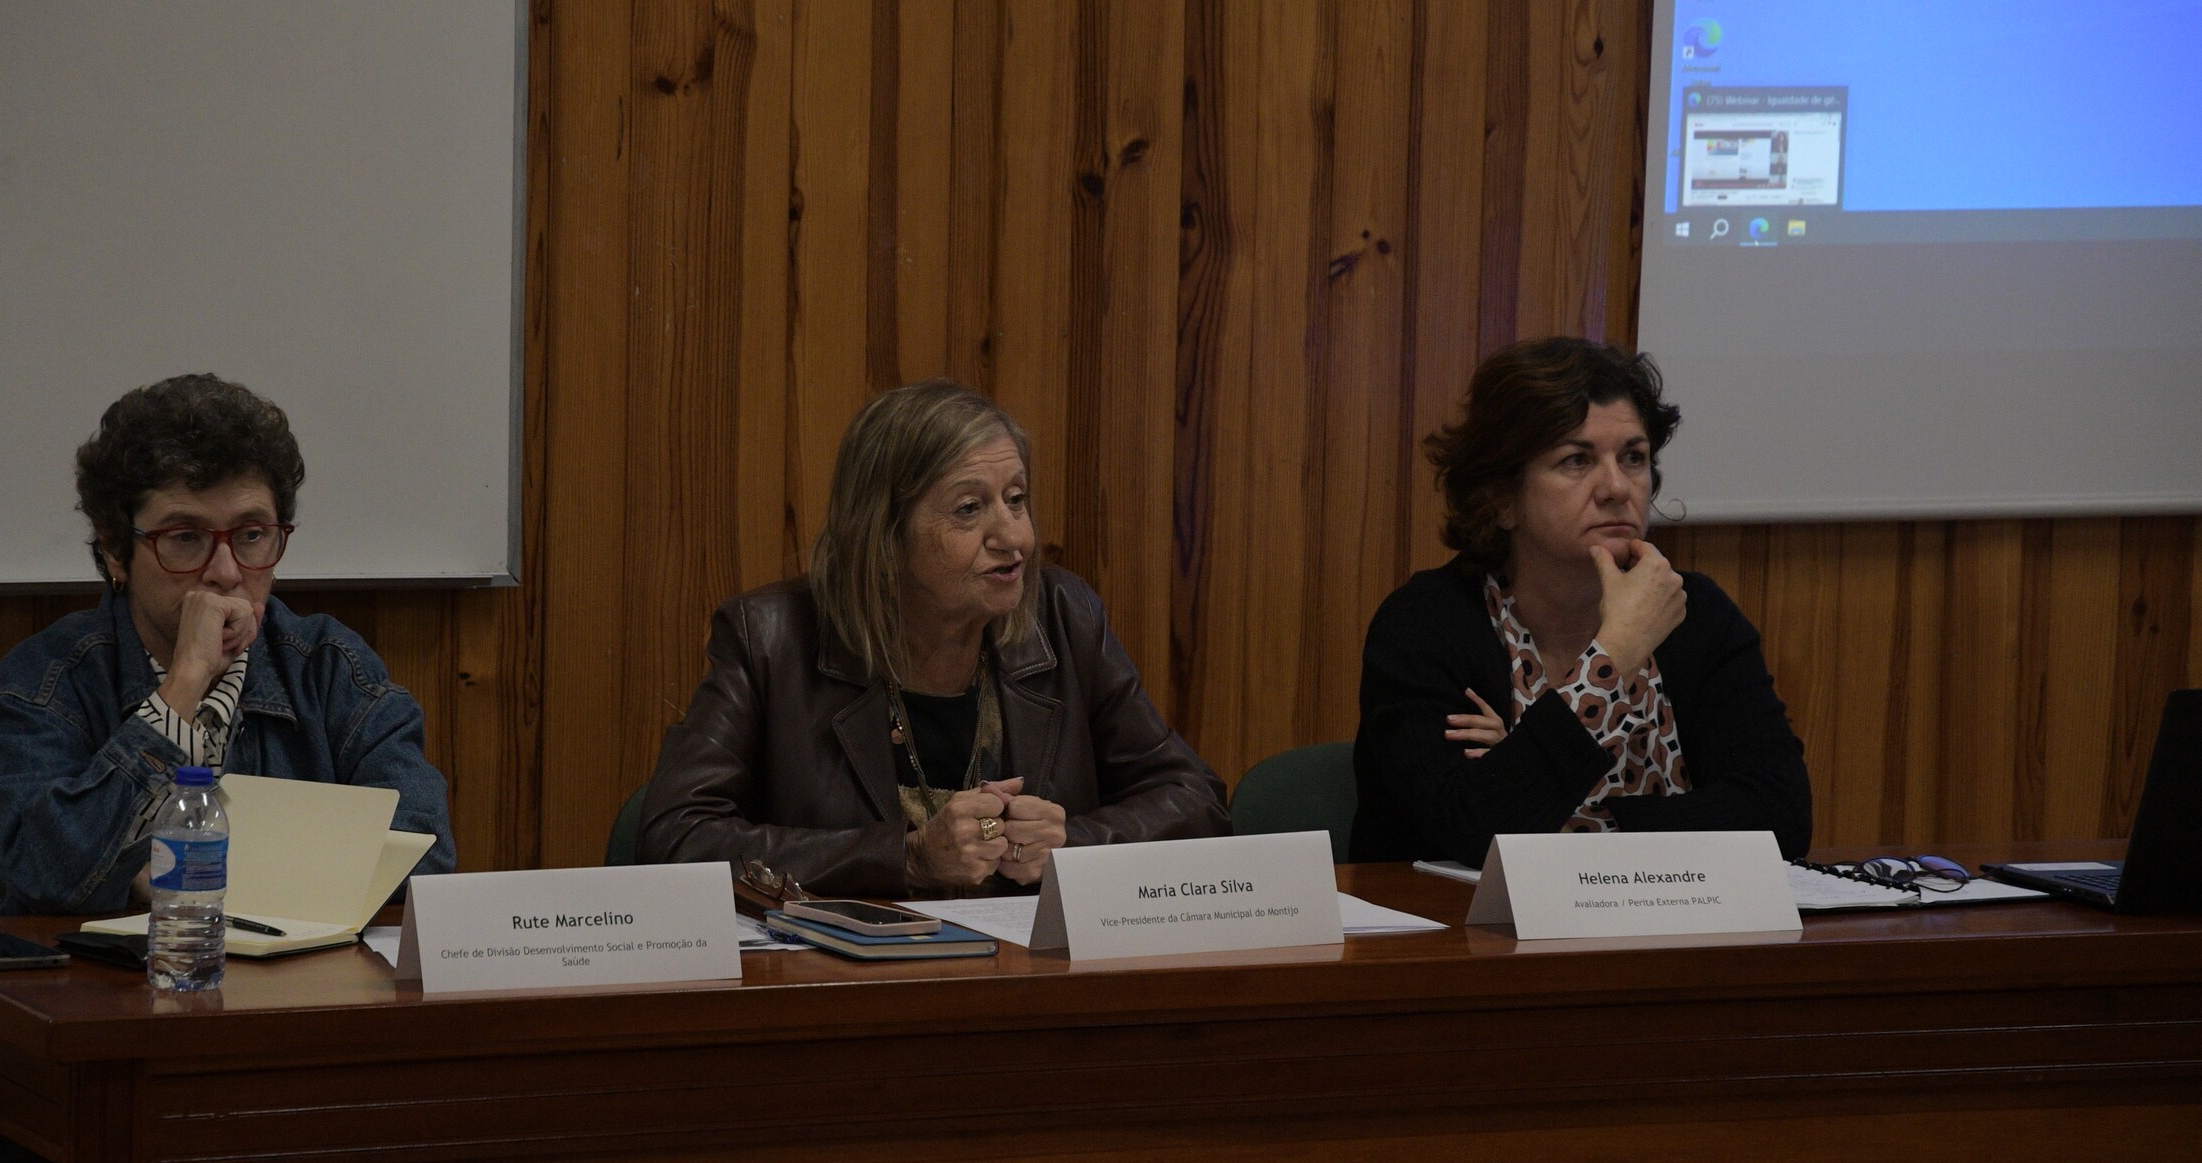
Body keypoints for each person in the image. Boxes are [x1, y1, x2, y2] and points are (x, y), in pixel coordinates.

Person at [641, 380, 1228, 896]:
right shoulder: (771, 640)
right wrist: (904, 858)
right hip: (846, 977)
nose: (1013, 537)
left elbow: (1196, 800)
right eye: (969, 509)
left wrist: (1075, 845)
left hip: (1028, 972)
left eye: (1016, 499)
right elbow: (677, 838)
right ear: (883, 534)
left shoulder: (1063, 617)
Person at [0, 374, 455, 914]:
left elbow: (423, 852)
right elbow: (44, 872)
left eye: (251, 535)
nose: (226, 572)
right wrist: (182, 689)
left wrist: (177, 872)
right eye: (185, 538)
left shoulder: (329, 668)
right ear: (114, 551)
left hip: (294, 966)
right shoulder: (46, 680)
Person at [1352, 337, 1810, 865]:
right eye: (1577, 460)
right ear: (1501, 498)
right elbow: (1471, 830)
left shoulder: (1694, 612)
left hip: (1665, 916)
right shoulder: (1426, 625)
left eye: (1633, 457)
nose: (1617, 487)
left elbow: (1782, 817)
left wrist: (1564, 818)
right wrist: (1614, 656)